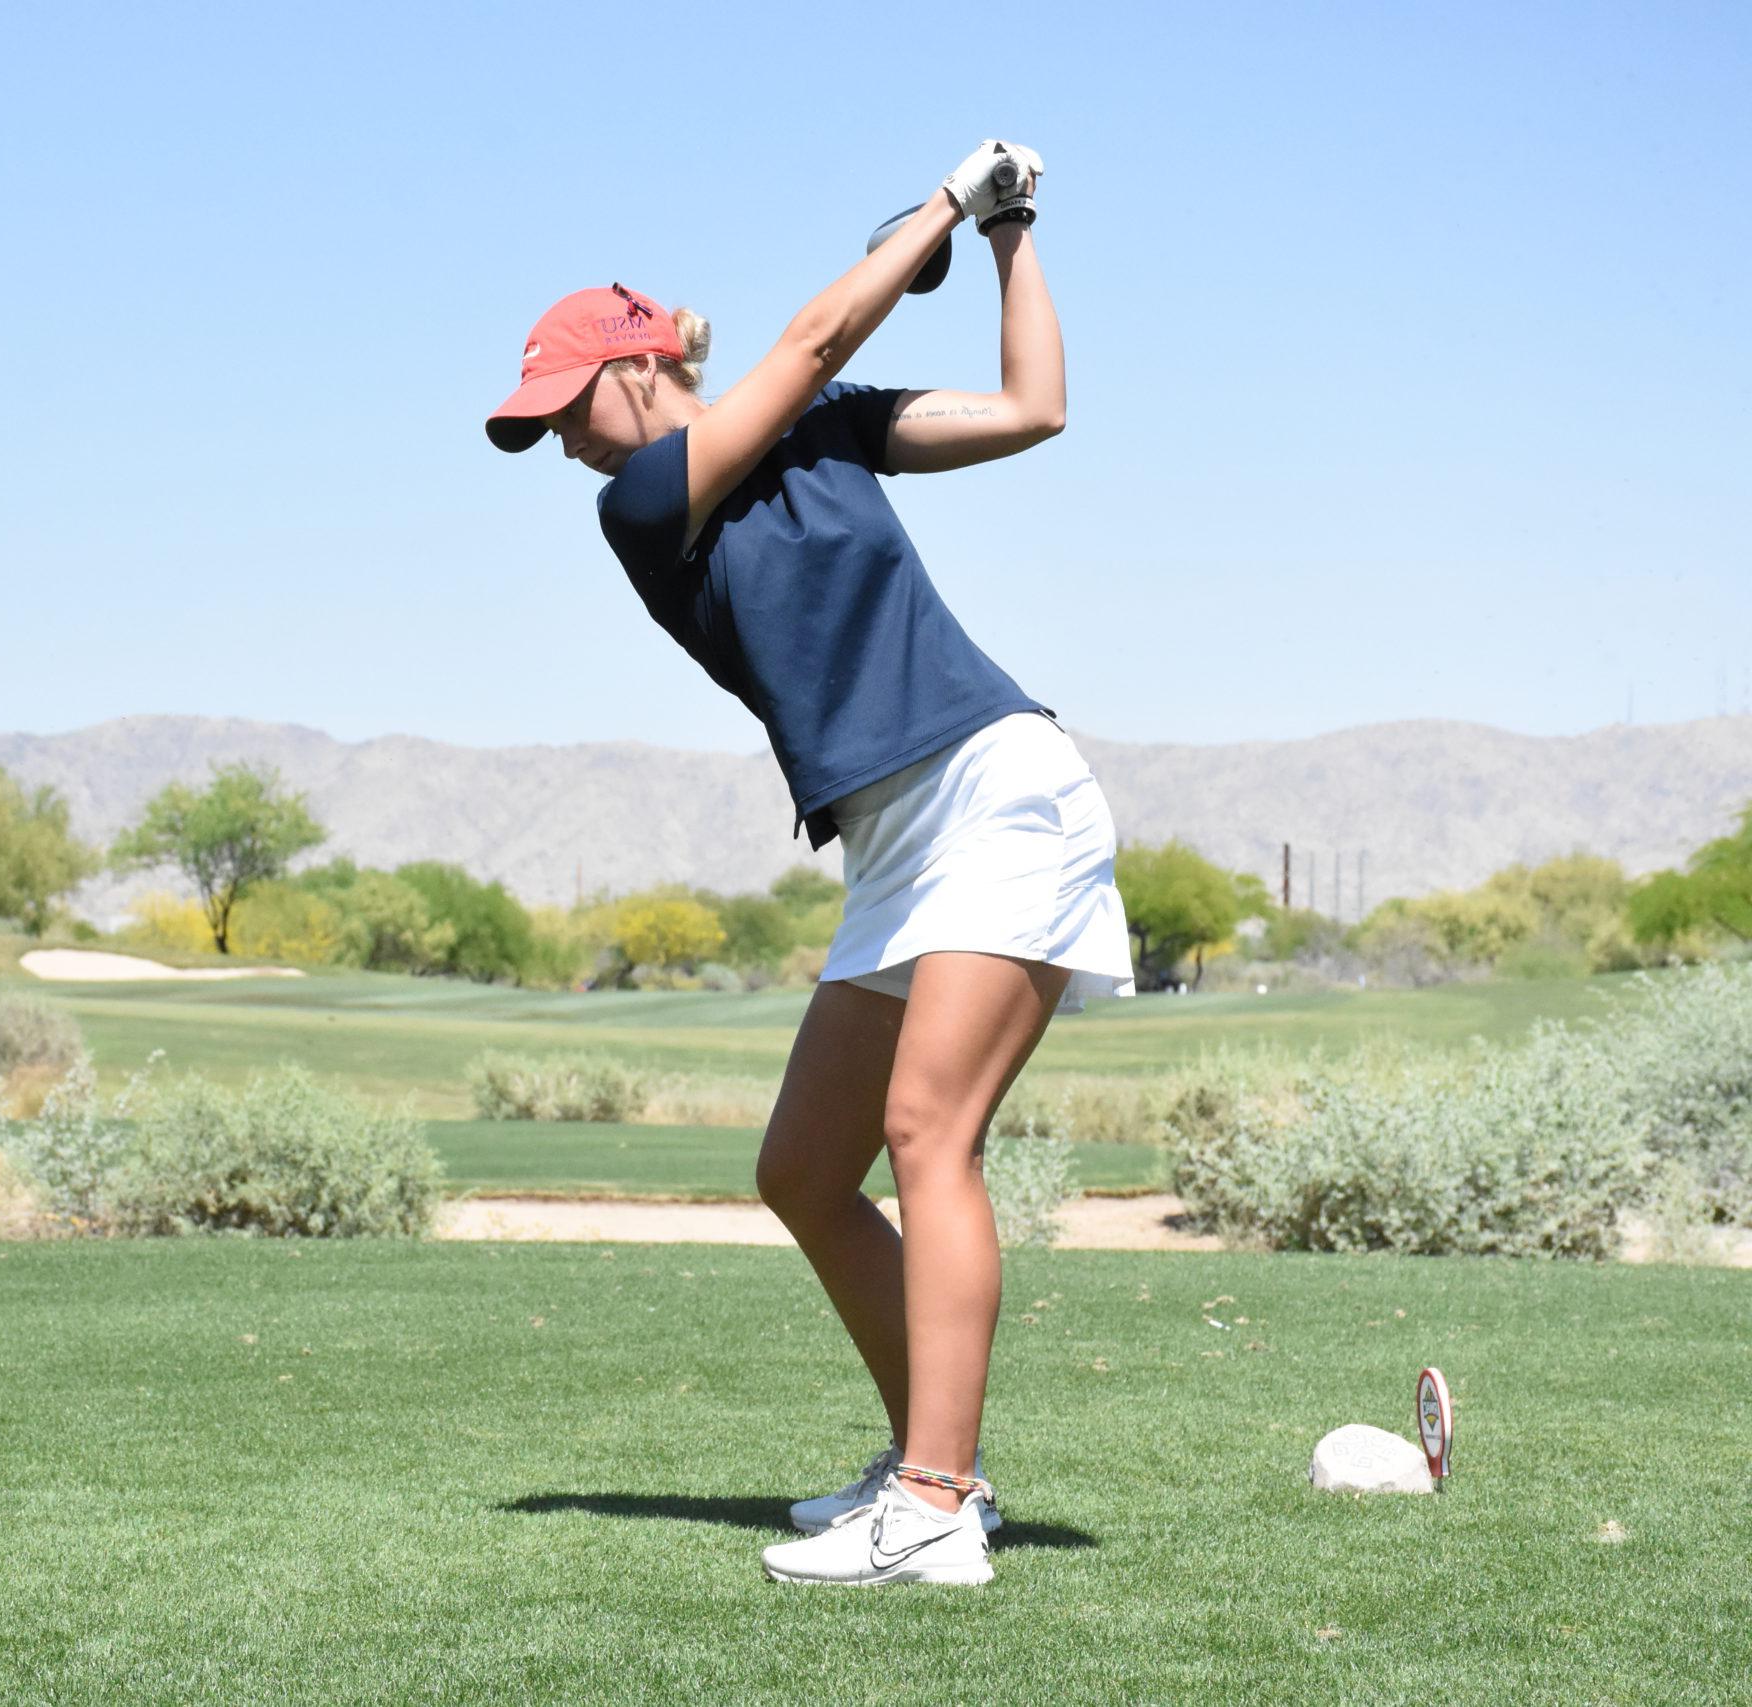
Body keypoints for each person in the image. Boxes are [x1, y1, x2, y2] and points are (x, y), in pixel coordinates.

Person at [483, 141, 1136, 1587]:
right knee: (800, 1168)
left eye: (569, 406)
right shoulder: (646, 508)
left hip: (994, 788)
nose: (569, 446)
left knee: (927, 1137)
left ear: (644, 363)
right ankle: (929, 1461)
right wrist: (943, 210)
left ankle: (936, 1503)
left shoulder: (828, 429)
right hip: (900, 840)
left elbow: (1038, 407)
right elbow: (815, 333)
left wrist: (1007, 229)